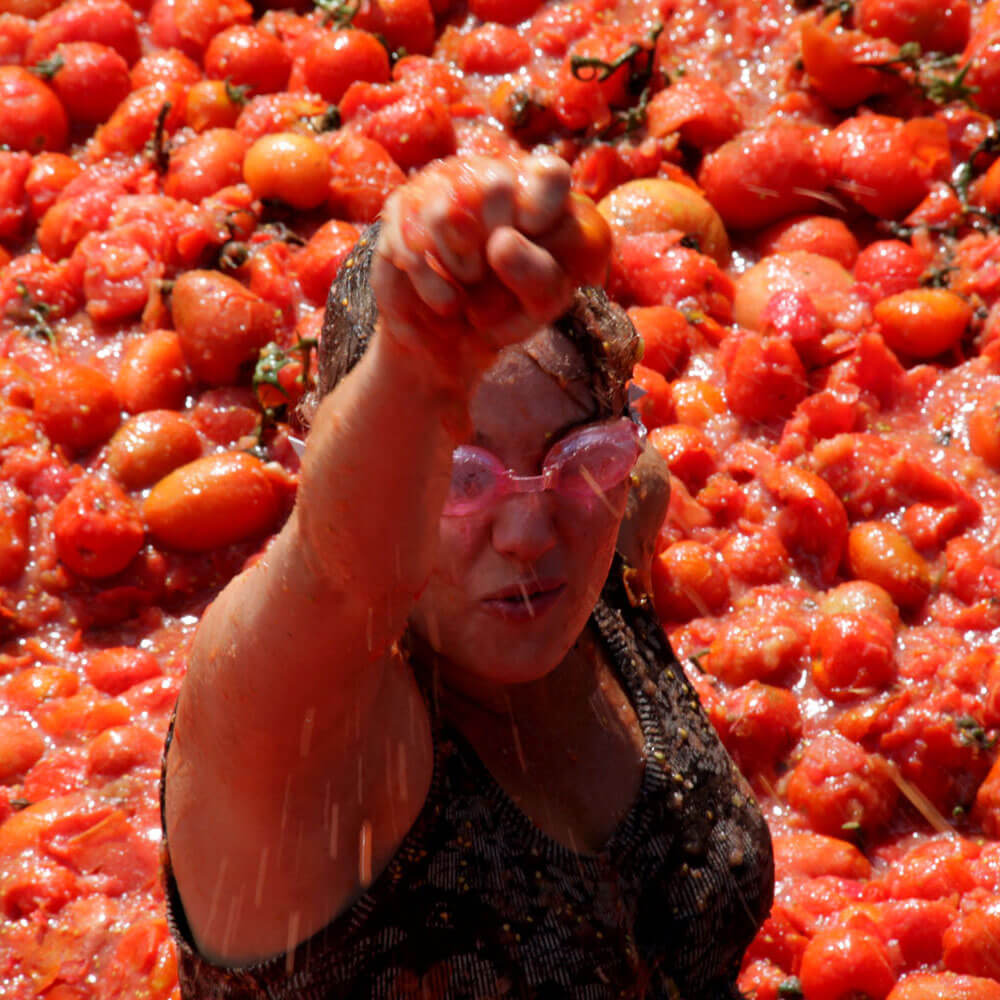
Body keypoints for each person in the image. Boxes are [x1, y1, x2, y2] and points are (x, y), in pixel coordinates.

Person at [161, 153, 773, 999]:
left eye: (576, 458)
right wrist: (416, 366)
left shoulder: (614, 522)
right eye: (459, 475)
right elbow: (342, 570)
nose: (528, 532)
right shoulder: (299, 738)